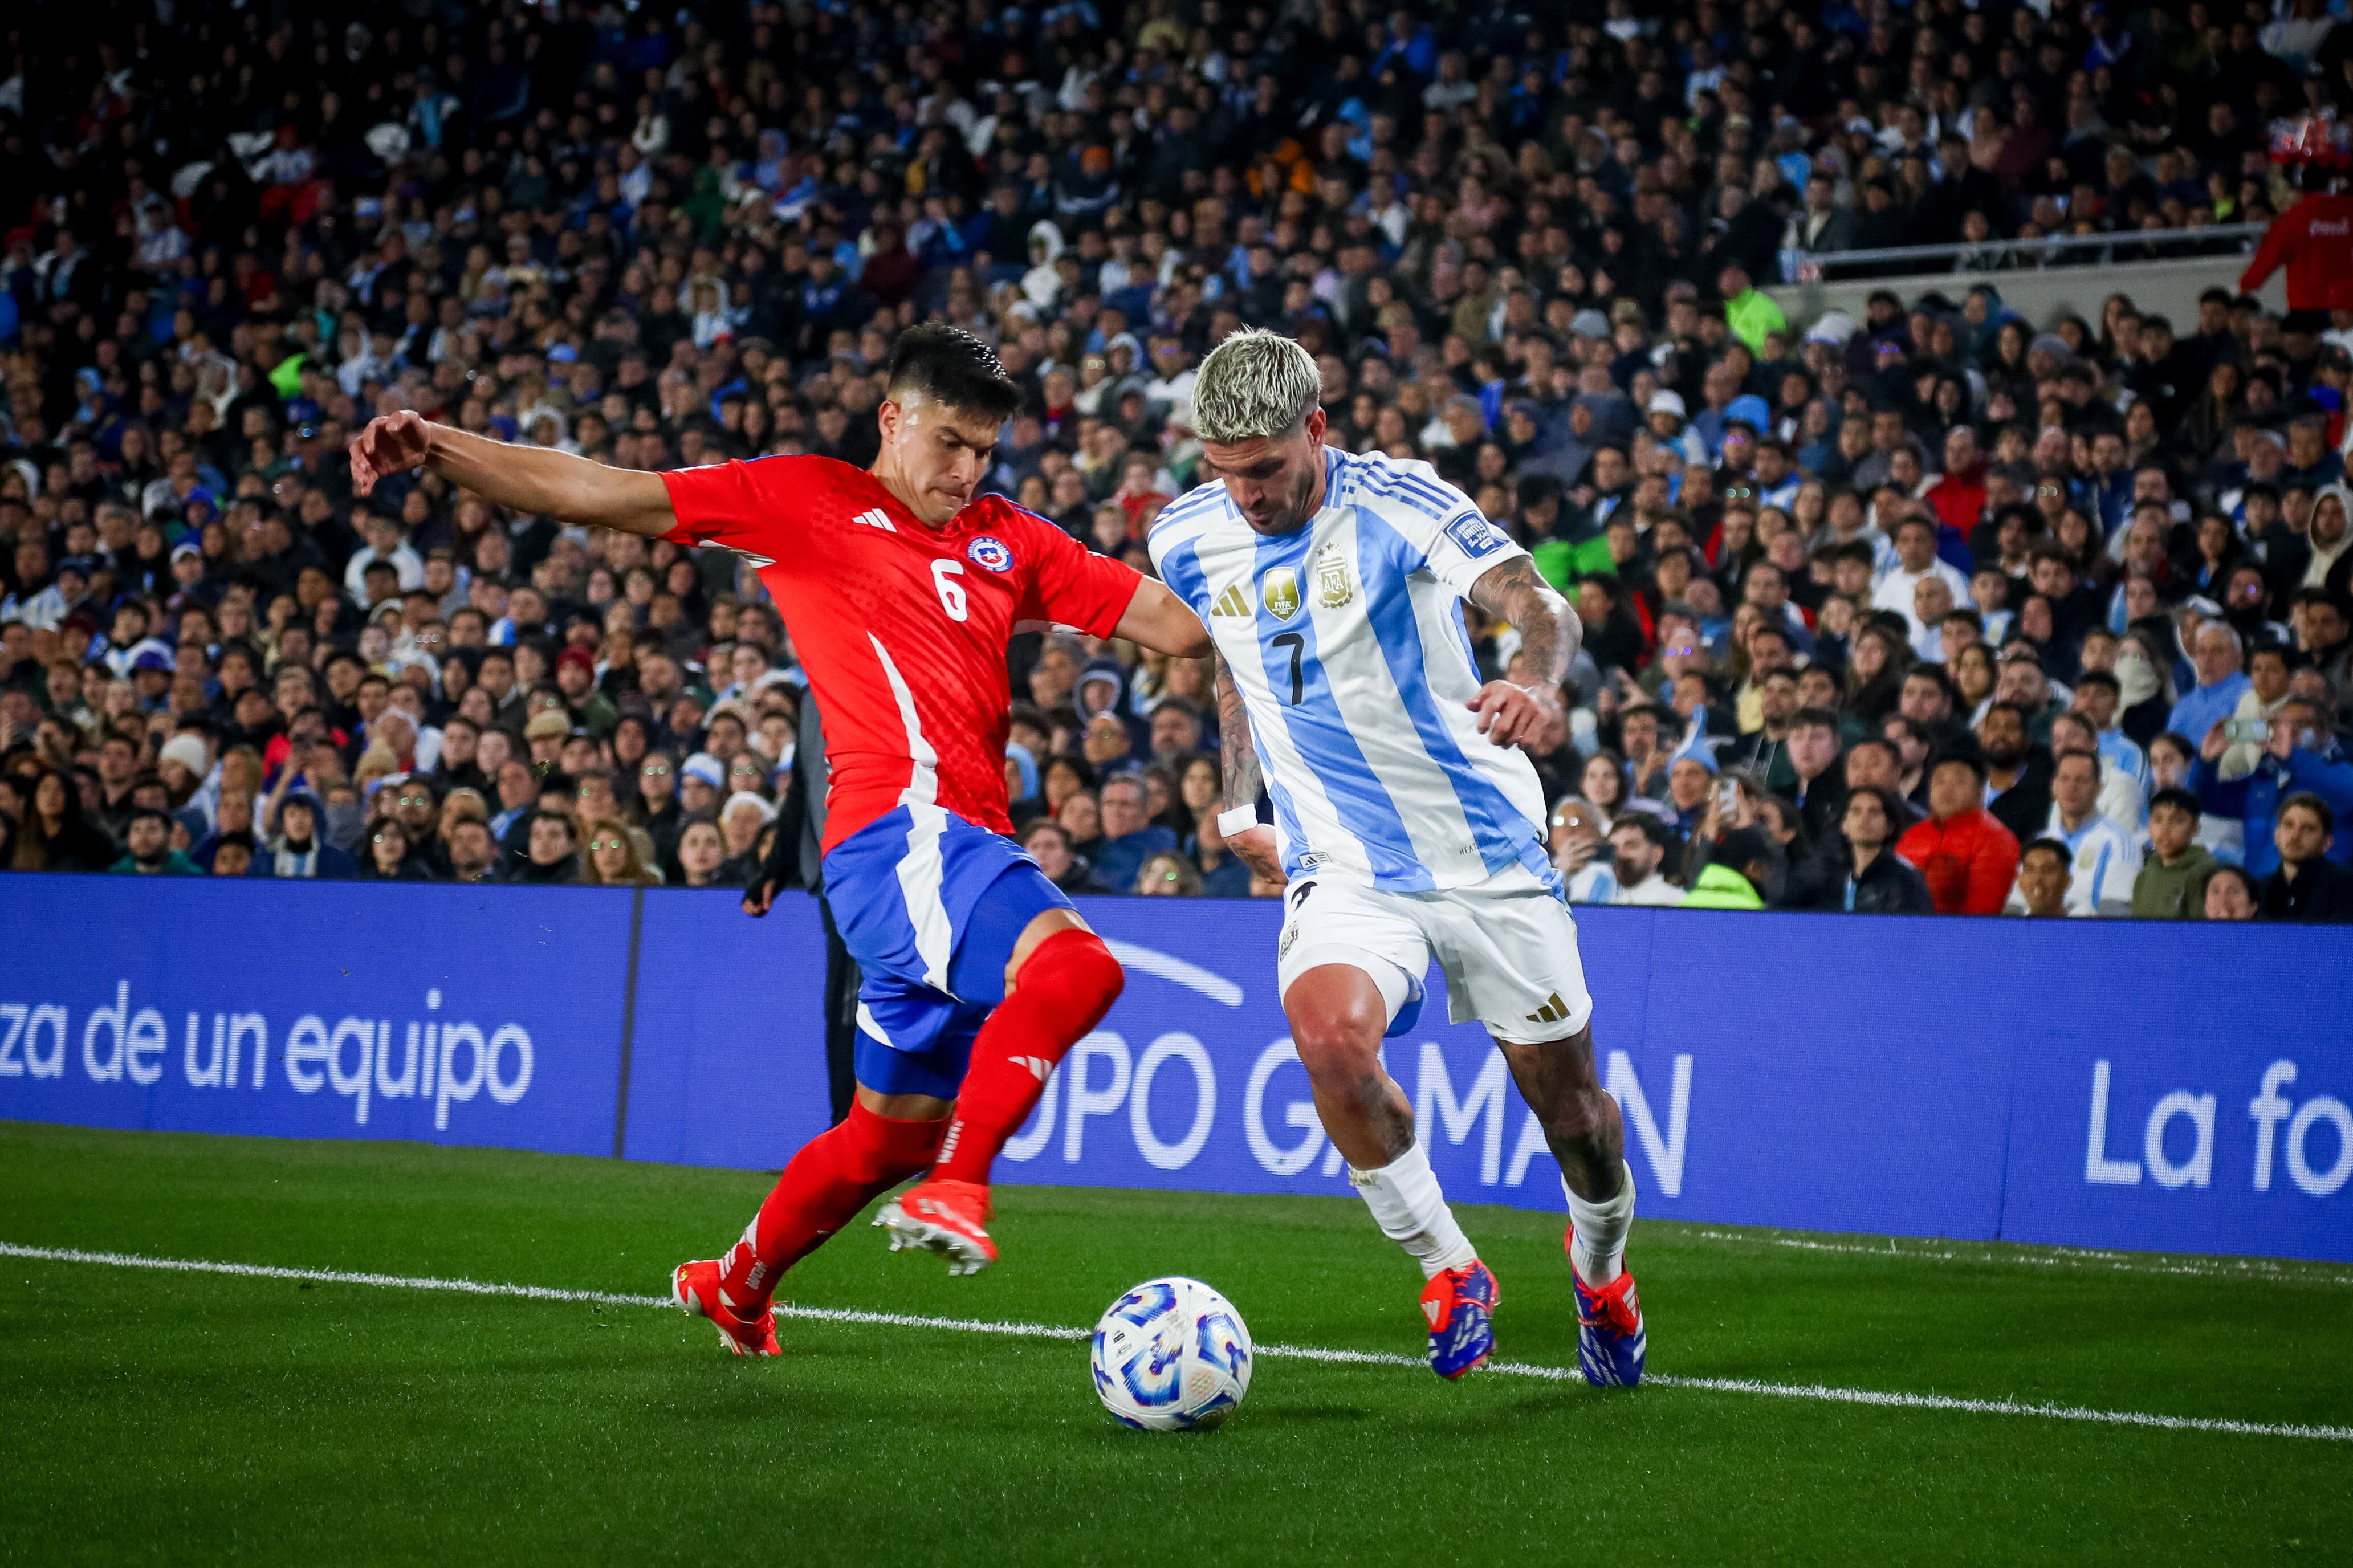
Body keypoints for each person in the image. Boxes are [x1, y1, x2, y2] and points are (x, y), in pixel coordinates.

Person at [351, 324, 1210, 1355]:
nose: (964, 469)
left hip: (951, 850)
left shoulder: (1008, 538)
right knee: (1077, 971)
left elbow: (1173, 625)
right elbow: (598, 491)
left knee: (880, 1136)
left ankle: (737, 1282)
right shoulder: (805, 500)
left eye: (983, 450)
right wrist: (438, 445)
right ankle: (960, 1188)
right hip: (898, 838)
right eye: (947, 441)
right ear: (889, 420)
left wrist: (1261, 551)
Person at [1151, 329, 1643, 1387]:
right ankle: (1450, 1268)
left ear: (1315, 430)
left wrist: (1537, 681)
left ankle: (1601, 1272)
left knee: (1575, 1120)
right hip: (1345, 863)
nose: (1244, 495)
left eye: (1267, 469)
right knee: (1327, 1040)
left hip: (1486, 857)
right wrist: (1241, 797)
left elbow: (1534, 602)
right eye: (1222, 471)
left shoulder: (1395, 500)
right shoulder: (1186, 536)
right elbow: (1233, 664)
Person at [2016, 750, 2140, 917]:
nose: (2072, 787)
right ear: (2054, 786)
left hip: (2088, 939)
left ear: (2099, 788)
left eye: (2081, 780)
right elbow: (2015, 907)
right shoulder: (2039, 843)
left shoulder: (2120, 843)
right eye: (2065, 779)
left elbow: (2116, 917)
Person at [1895, 751, 2021, 914]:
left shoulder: (1996, 839)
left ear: (1980, 792)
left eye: (1959, 781)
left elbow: (1984, 914)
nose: (1947, 789)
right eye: (1940, 781)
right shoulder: (1912, 835)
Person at [1834, 785, 1934, 914]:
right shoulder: (1833, 878)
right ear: (1843, 825)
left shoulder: (1905, 880)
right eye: (1856, 811)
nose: (1864, 819)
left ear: (1890, 827)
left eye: (1874, 812)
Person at [2257, 793, 2353, 922]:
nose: (2295, 836)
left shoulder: (2345, 885)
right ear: (2276, 834)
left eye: (2308, 829)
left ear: (2327, 842)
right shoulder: (2260, 890)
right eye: (2288, 825)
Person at [2132, 787, 2219, 919]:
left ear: (2195, 828)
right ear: (2149, 826)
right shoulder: (2144, 876)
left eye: (2177, 821)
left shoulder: (2204, 874)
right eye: (2158, 820)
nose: (2165, 829)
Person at [1608, 816, 1683, 905]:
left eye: (1631, 846)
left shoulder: (1665, 900)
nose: (1620, 855)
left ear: (1657, 855)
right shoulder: (1620, 900)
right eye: (1614, 849)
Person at [107, 808, 202, 876]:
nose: (143, 837)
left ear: (169, 835)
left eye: (152, 830)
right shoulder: (114, 875)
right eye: (137, 830)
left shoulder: (192, 876)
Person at [2012, 838, 2074, 918]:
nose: (2037, 879)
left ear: (2067, 881)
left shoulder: (2085, 925)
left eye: (2048, 870)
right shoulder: (2009, 925)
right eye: (2030, 870)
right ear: (2019, 880)